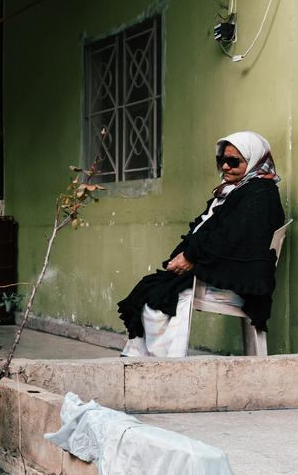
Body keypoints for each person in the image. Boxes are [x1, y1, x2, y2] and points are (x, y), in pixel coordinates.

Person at [117, 131, 285, 358]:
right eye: (221, 160)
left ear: (255, 160)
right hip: (219, 265)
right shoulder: (237, 190)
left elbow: (233, 239)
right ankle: (141, 360)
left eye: (233, 161)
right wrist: (188, 254)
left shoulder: (260, 194)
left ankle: (165, 364)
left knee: (165, 296)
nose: (225, 166)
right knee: (154, 289)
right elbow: (213, 231)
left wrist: (191, 257)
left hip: (239, 278)